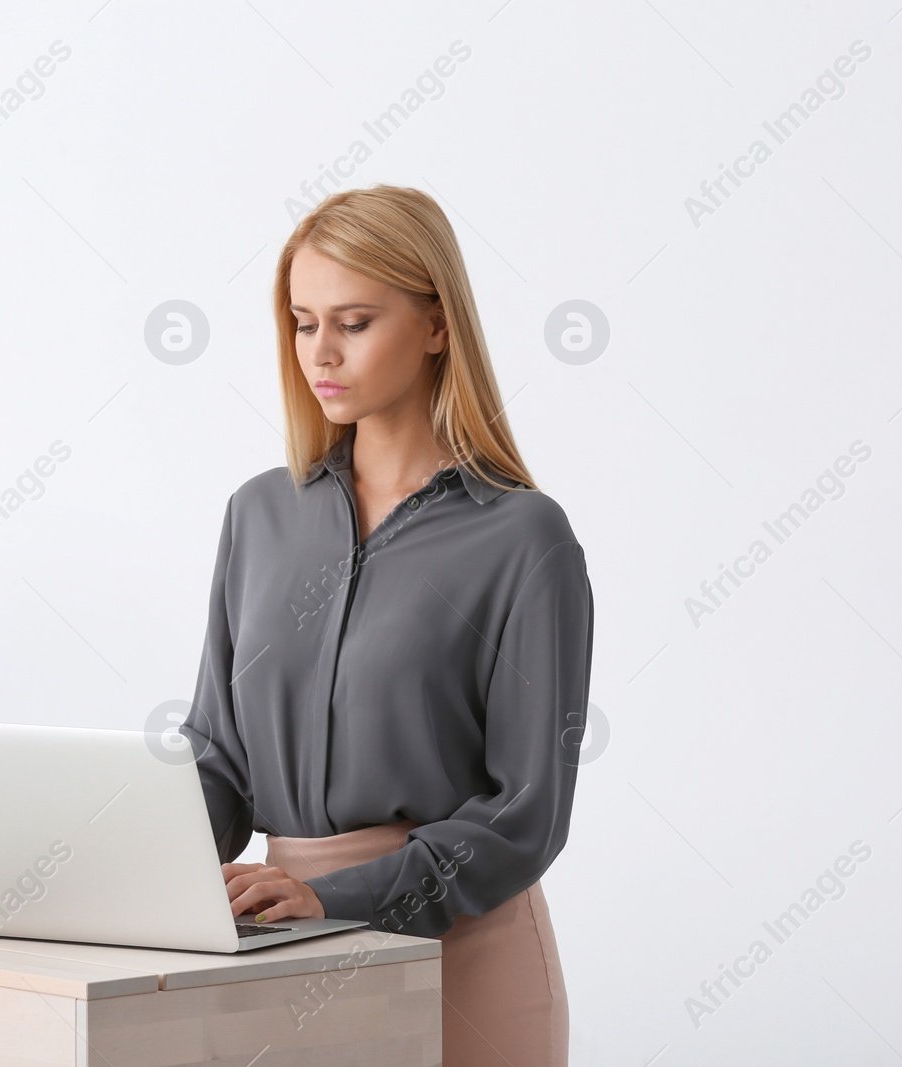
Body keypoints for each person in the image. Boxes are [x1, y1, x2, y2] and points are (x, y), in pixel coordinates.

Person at [180, 183, 594, 1066]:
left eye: (354, 322)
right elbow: (219, 754)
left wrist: (333, 895)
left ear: (437, 324)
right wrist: (131, 872)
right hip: (280, 949)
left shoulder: (523, 538)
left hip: (463, 963)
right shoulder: (259, 515)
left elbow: (525, 814)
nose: (319, 354)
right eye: (301, 322)